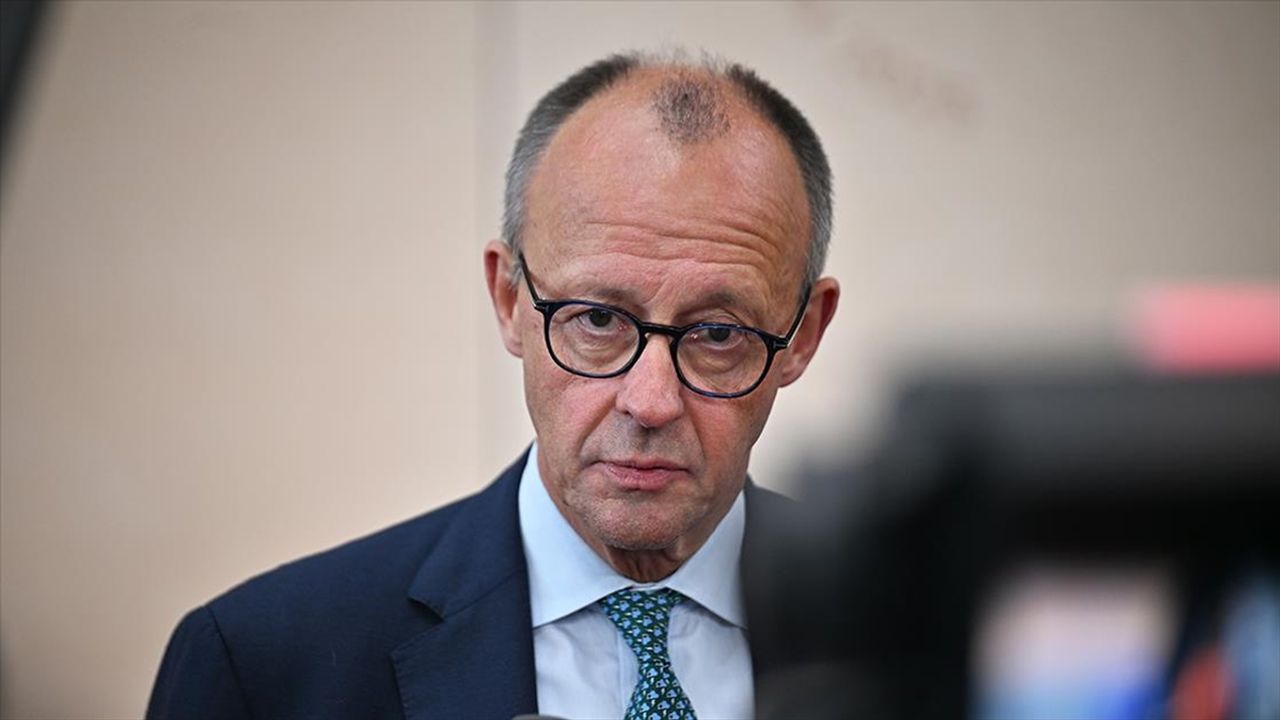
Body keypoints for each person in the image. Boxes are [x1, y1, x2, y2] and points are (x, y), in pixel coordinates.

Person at [146, 50, 840, 720]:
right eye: (598, 320)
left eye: (718, 334)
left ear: (803, 333)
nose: (650, 401)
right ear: (509, 299)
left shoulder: (893, 631)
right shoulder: (263, 665)